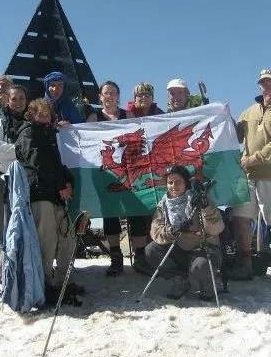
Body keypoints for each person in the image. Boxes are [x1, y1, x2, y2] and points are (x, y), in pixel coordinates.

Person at [229, 69, 271, 288]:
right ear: (259, 86)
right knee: (241, 218)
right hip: (248, 174)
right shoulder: (248, 112)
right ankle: (245, 266)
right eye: (264, 84)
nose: (268, 87)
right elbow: (236, 137)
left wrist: (256, 159)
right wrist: (225, 120)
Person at [14, 98, 83, 305]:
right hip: (39, 194)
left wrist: (68, 182)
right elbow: (38, 162)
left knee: (67, 237)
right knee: (47, 241)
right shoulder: (27, 132)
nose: (44, 117)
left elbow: (58, 164)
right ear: (32, 115)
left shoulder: (51, 135)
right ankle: (44, 285)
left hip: (55, 195)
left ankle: (63, 282)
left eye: (47, 114)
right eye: (40, 114)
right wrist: (60, 185)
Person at [87, 81, 151, 276]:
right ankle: (116, 258)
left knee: (136, 211)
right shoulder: (93, 117)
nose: (109, 96)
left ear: (118, 96)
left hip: (129, 171)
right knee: (110, 214)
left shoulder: (128, 116)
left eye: (113, 93)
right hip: (104, 173)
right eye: (105, 93)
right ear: (100, 97)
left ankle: (140, 256)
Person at [144, 165, 224, 300]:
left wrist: (205, 208)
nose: (174, 186)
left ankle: (208, 282)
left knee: (201, 266)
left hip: (203, 248)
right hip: (179, 249)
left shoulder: (198, 199)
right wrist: (173, 230)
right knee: (151, 250)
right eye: (170, 182)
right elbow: (156, 232)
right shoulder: (163, 205)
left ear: (186, 183)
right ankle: (180, 279)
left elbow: (216, 228)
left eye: (178, 182)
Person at [0, 84, 28, 274]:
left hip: (26, 177)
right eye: (14, 98)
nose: (18, 102)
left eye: (21, 98)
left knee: (24, 221)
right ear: (7, 100)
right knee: (2, 223)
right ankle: (5, 269)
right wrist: (20, 151)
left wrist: (12, 151)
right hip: (2, 177)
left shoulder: (31, 119)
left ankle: (24, 266)